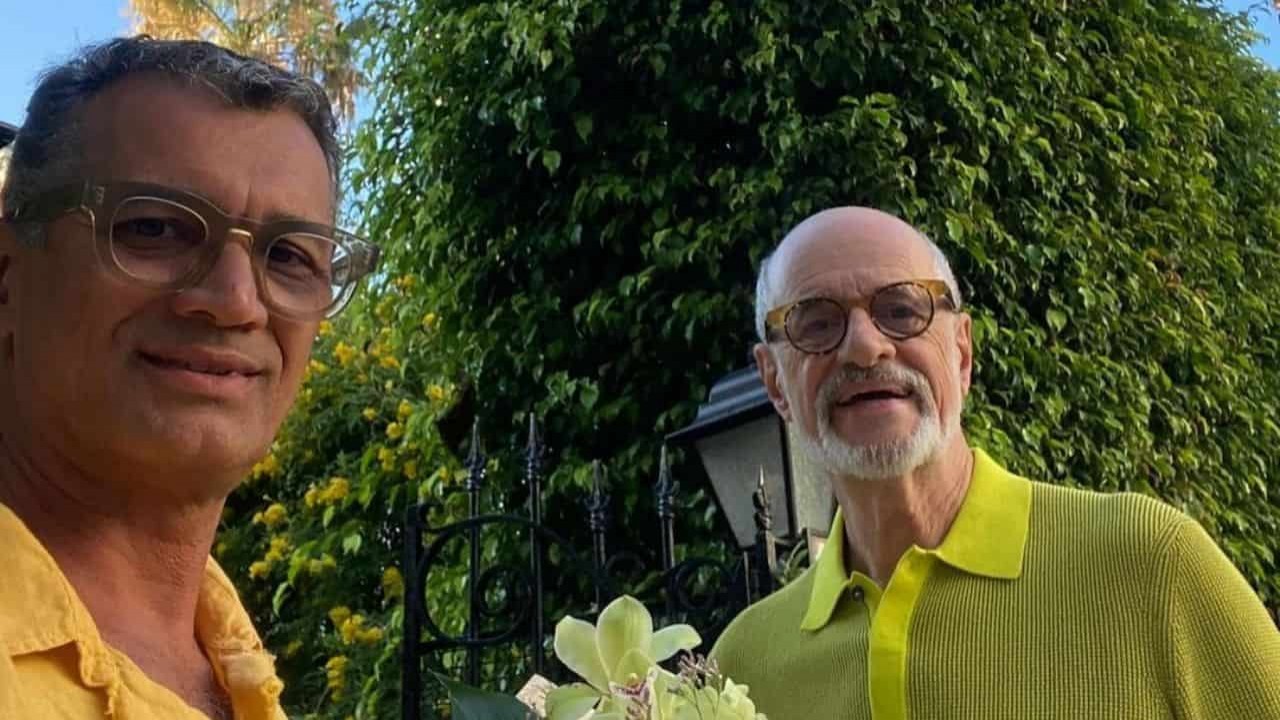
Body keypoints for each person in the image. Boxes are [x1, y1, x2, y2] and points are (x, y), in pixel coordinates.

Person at [711, 207, 1280, 719]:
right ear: (774, 382)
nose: (864, 347)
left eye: (901, 309)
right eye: (815, 324)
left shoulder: (1148, 562)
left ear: (961, 353)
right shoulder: (740, 669)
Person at [0, 37, 379, 719]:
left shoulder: (234, 664)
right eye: (154, 227)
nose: (236, 301)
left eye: (290, 256)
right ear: (6, 276)